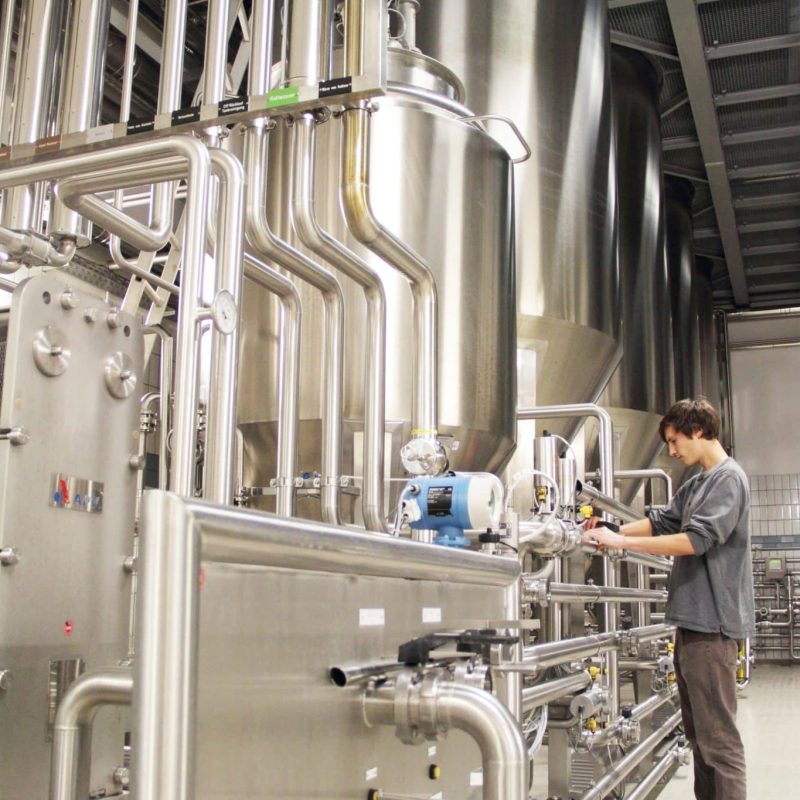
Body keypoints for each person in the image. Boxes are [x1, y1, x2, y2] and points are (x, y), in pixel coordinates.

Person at [585, 398, 754, 800]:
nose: (673, 451)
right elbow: (663, 520)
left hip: (713, 627)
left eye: (675, 441)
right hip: (692, 625)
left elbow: (696, 540)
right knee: (700, 737)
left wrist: (621, 542)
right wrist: (612, 528)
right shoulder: (698, 482)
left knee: (720, 743)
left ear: (697, 431)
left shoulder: (729, 479)